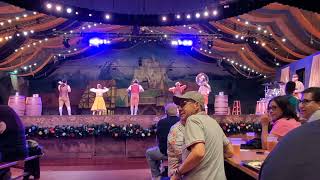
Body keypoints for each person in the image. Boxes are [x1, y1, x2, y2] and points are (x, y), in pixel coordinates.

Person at [259, 87, 320, 180]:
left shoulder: (283, 122)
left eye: (306, 101)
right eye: (301, 101)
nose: (301, 106)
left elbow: (265, 146)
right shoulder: (297, 122)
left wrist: (264, 125)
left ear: (283, 109)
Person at [171, 91, 233, 180]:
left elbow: (198, 153)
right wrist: (210, 158)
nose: (180, 108)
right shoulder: (213, 122)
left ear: (196, 105)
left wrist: (178, 173)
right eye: (179, 106)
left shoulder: (193, 120)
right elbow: (230, 151)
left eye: (183, 104)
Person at [146, 103, 180, 180]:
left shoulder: (161, 122)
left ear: (166, 112)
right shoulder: (182, 121)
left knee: (149, 153)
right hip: (181, 153)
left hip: (165, 152)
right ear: (177, 111)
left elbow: (158, 138)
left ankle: (156, 176)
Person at [0, 105, 28, 179]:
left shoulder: (2, 113)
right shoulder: (6, 110)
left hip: (14, 151)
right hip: (19, 149)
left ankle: (3, 173)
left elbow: (2, 129)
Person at [167, 113, 185, 177]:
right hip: (177, 170)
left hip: (187, 166)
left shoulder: (191, 126)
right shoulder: (176, 129)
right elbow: (180, 154)